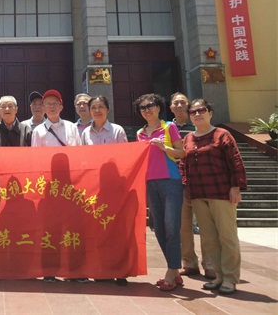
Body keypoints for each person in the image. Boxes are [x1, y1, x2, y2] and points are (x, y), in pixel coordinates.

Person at [180, 99, 247, 295]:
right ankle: (219, 275)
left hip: (221, 193)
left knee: (227, 237)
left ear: (210, 113)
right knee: (209, 238)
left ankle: (230, 278)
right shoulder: (188, 138)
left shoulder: (222, 134)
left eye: (201, 110)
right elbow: (184, 165)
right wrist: (186, 187)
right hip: (199, 194)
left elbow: (235, 161)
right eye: (193, 111)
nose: (197, 114)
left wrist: (236, 187)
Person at [134, 93, 185, 292]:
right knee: (159, 228)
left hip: (170, 180)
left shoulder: (168, 127)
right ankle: (175, 270)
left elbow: (181, 152)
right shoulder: (140, 133)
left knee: (172, 227)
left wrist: (164, 147)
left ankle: (171, 271)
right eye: (143, 107)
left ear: (158, 107)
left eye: (150, 106)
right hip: (150, 183)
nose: (147, 110)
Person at [31, 89, 81, 283]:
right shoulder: (38, 131)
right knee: (50, 228)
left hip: (70, 185)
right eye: (48, 104)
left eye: (55, 103)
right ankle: (50, 269)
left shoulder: (72, 128)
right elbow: (36, 159)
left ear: (61, 106)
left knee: (73, 227)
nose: (51, 107)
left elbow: (78, 155)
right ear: (43, 108)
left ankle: (74, 270)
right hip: (49, 187)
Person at [80, 95, 128, 286]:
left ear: (108, 109)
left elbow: (125, 158)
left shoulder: (117, 131)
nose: (97, 111)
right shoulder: (85, 133)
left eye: (101, 107)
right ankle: (102, 269)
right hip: (94, 188)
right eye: (94, 107)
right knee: (99, 229)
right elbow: (83, 160)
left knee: (116, 229)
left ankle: (120, 270)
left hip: (114, 187)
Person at [170, 92, 215, 280]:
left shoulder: (197, 127)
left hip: (198, 181)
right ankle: (189, 262)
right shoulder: (168, 128)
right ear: (171, 107)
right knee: (183, 225)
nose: (179, 105)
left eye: (183, 102)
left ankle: (210, 264)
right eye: (176, 103)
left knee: (205, 225)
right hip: (175, 180)